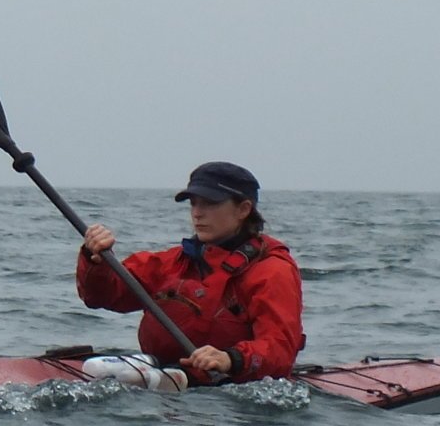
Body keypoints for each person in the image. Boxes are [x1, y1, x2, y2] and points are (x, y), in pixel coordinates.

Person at [76, 161, 303, 381]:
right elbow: (101, 297)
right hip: (164, 379)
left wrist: (230, 359)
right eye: (193, 203)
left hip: (229, 390)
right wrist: (96, 261)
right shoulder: (171, 263)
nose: (197, 213)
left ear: (243, 209)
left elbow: (279, 351)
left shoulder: (273, 271)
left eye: (210, 203)